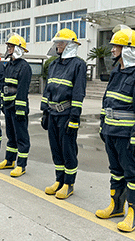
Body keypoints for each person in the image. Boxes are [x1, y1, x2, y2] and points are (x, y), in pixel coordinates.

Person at [95, 26, 135, 232]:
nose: (112, 49)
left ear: (128, 49)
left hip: (128, 136)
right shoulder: (116, 71)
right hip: (111, 133)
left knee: (133, 174)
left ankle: (133, 213)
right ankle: (117, 207)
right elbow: (108, 100)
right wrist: (103, 124)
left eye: (116, 46)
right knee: (116, 172)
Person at [41, 28, 86, 199]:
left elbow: (78, 92)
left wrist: (74, 118)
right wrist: (44, 111)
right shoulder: (53, 64)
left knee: (68, 150)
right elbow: (47, 89)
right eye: (57, 42)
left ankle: (69, 184)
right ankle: (59, 180)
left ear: (69, 45)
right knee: (56, 150)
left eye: (60, 42)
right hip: (53, 114)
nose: (57, 45)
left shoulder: (78, 65)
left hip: (67, 114)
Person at [0, 34, 32, 177]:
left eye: (11, 46)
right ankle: (9, 161)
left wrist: (20, 109)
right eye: (8, 46)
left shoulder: (24, 67)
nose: (9, 49)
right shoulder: (9, 65)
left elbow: (22, 91)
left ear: (18, 48)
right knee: (10, 135)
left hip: (18, 108)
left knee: (21, 137)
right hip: (8, 106)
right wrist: (3, 103)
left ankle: (21, 165)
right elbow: (5, 86)